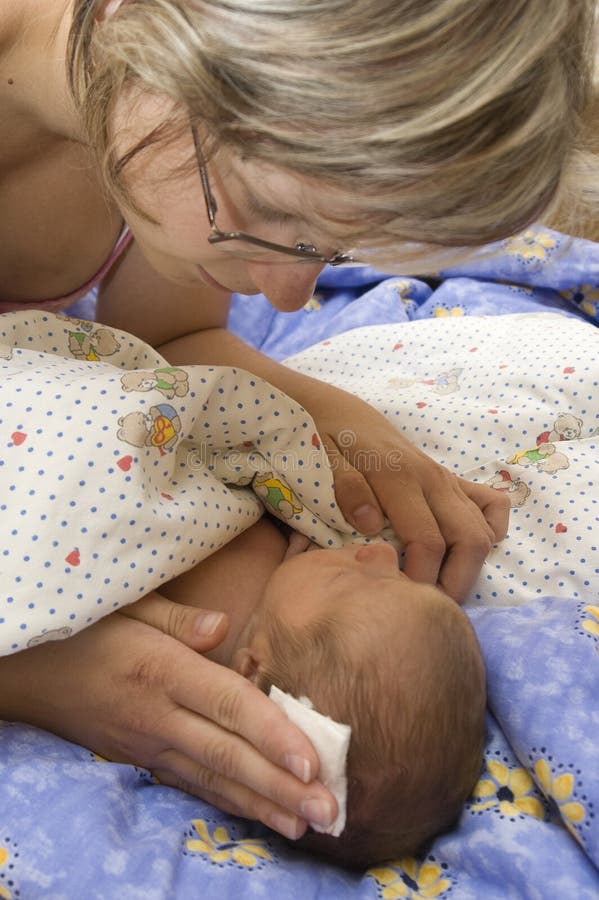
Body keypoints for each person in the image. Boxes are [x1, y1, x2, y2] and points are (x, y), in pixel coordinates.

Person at [2, 0, 594, 838]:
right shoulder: (164, 134)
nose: (285, 295)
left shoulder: (143, 124)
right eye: (273, 213)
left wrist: (339, 421)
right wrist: (35, 674)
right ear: (149, 33)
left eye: (331, 249)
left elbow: (171, 339)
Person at [162, 520, 487, 868]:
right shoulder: (278, 616)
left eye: (344, 581)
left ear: (252, 671)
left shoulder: (212, 600)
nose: (385, 553)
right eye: (404, 578)